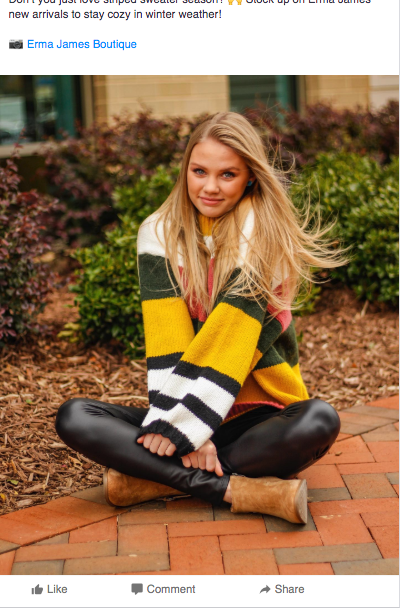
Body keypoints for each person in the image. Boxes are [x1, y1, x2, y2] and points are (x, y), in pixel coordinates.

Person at [56, 111, 344, 524]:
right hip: (185, 401)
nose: (209, 187)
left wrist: (190, 432)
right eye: (199, 171)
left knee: (319, 420)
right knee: (75, 416)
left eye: (227, 174)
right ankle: (233, 488)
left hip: (257, 416)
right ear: (185, 169)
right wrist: (182, 429)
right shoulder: (159, 233)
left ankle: (153, 480)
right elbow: (167, 343)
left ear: (250, 177)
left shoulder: (266, 235)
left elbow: (232, 343)